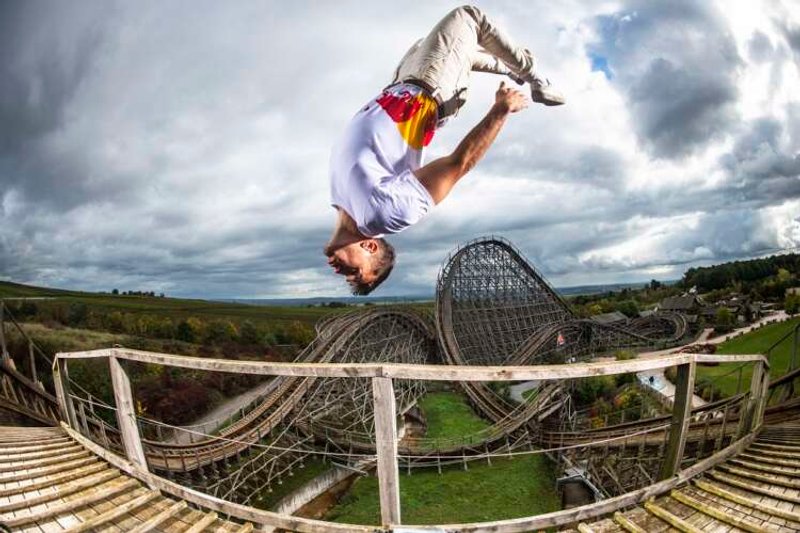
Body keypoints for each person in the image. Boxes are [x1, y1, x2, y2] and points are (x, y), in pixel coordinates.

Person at [325, 5, 564, 295]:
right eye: (355, 273)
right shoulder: (385, 214)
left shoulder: (340, 200)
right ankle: (539, 80)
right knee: (469, 16)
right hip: (430, 87)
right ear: (370, 246)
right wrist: (501, 110)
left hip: (401, 81)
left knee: (448, 49)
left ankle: (511, 67)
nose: (340, 272)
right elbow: (457, 165)